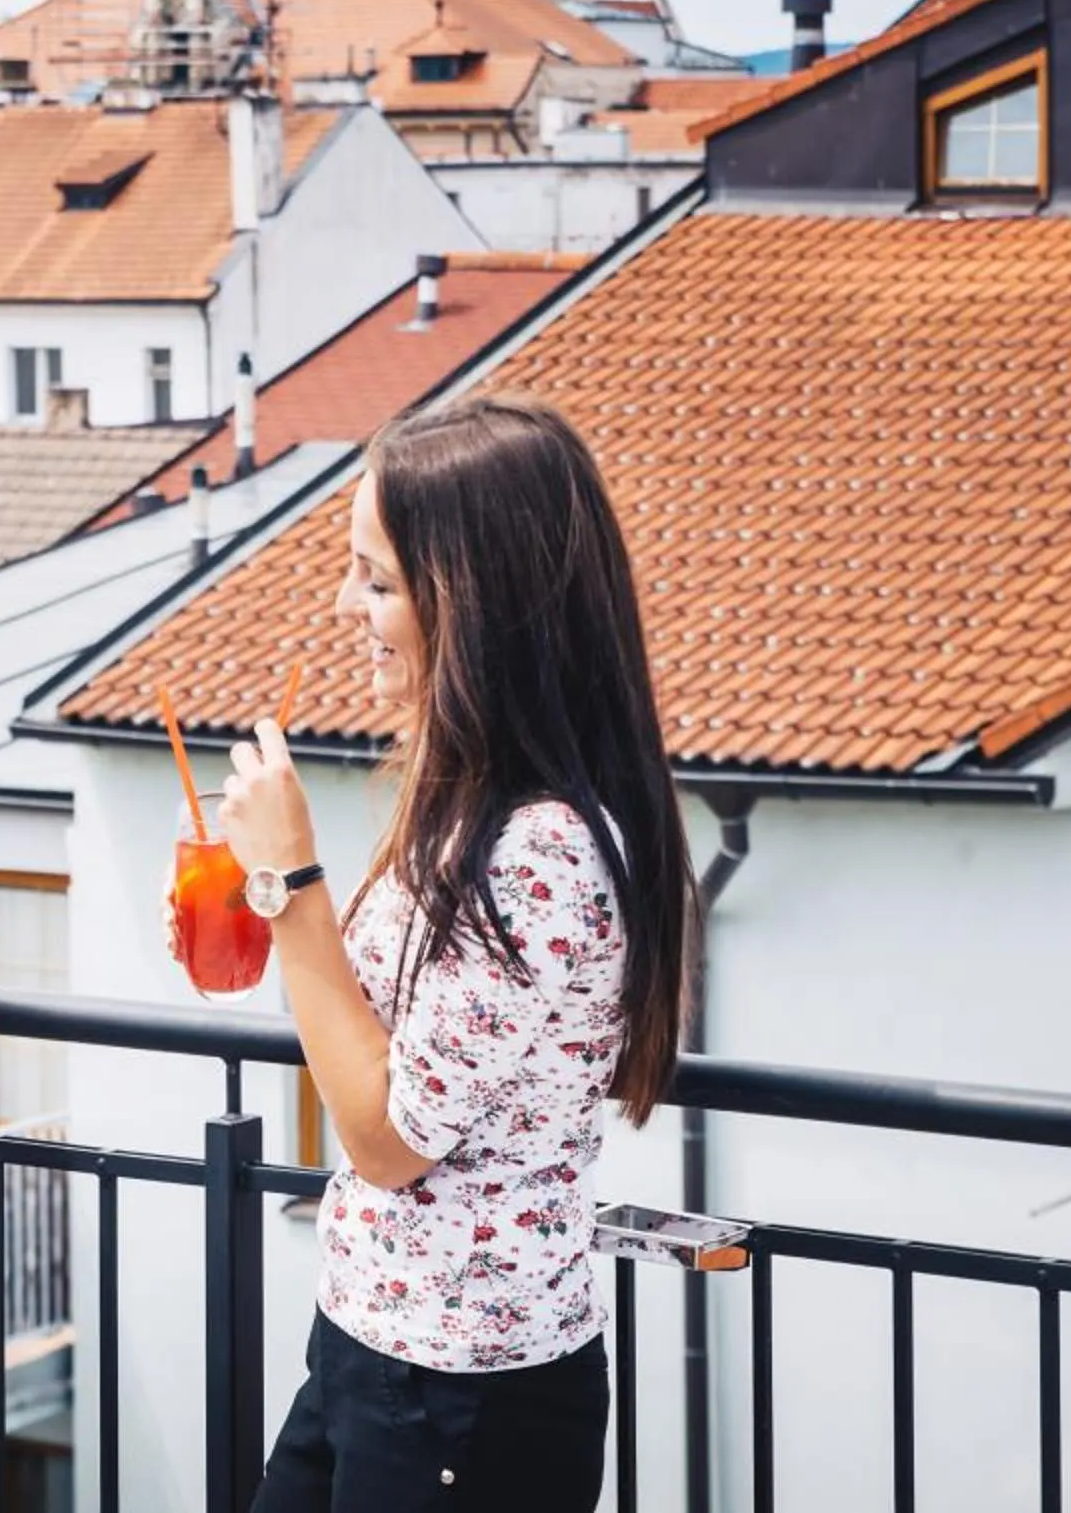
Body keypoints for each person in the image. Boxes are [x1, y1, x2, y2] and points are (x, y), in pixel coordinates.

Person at [218, 392, 694, 1513]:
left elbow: (391, 1141)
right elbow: (387, 1020)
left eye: (377, 580)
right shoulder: (464, 802)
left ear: (474, 604)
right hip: (377, 1341)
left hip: (468, 1391)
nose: (346, 605)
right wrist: (263, 896)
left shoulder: (542, 849)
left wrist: (293, 887)